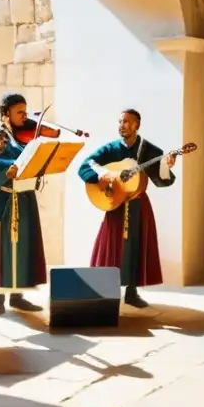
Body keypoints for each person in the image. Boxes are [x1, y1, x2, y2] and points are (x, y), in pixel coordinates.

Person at [77, 109, 177, 308]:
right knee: (112, 247)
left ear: (136, 125)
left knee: (136, 246)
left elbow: (162, 178)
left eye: (127, 122)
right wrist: (102, 174)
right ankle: (105, 292)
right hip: (116, 204)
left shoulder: (148, 150)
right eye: (120, 121)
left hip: (138, 204)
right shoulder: (111, 148)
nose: (122, 125)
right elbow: (86, 164)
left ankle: (132, 292)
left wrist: (166, 165)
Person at [0, 93, 49, 316]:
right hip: (4, 200)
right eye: (20, 112)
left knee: (23, 249)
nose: (25, 116)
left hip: (25, 199)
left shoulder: (25, 138)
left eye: (26, 112)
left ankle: (17, 297)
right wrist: (10, 166)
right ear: (5, 114)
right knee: (2, 250)